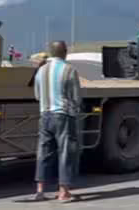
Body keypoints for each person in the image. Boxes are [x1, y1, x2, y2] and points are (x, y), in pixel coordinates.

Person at [33, 41, 82, 203]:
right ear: (65, 52)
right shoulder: (69, 70)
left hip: (45, 115)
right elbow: (76, 97)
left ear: (51, 52)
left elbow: (37, 95)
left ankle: (40, 191)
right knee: (66, 152)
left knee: (43, 152)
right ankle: (63, 192)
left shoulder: (41, 70)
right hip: (63, 115)